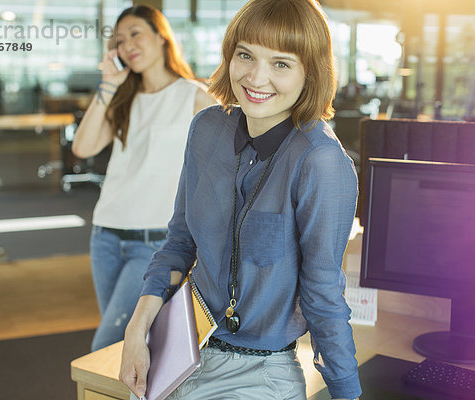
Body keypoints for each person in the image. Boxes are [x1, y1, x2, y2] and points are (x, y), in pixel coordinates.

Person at [119, 0, 362, 399]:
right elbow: (179, 244)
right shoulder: (207, 129)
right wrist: (137, 328)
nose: (256, 77)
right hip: (181, 348)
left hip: (259, 372)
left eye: (281, 64)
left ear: (309, 72)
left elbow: (323, 296)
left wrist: (346, 392)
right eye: (245, 55)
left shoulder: (320, 161)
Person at [71, 5, 216, 352]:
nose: (126, 45)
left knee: (109, 346)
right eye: (118, 40)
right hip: (105, 236)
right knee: (127, 350)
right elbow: (82, 146)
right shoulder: (123, 98)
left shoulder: (195, 95)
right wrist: (108, 85)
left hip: (155, 245)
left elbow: (220, 170)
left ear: (162, 36)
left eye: (135, 33)